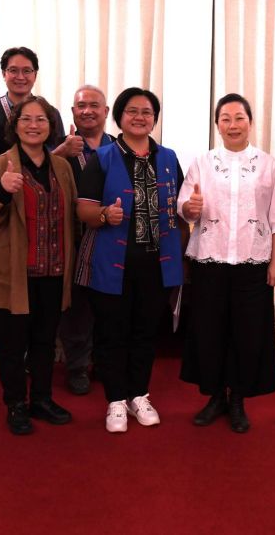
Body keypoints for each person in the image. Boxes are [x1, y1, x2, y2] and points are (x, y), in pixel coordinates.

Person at [178, 93, 275, 433]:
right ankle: (215, 397)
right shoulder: (202, 162)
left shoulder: (267, 164)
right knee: (210, 331)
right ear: (217, 125)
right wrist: (190, 208)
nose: (233, 124)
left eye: (239, 117)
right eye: (225, 118)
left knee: (247, 333)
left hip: (253, 262)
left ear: (250, 122)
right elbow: (184, 205)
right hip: (209, 260)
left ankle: (238, 398)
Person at [75, 87, 185, 433]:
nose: (140, 117)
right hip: (112, 263)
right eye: (132, 111)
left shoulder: (168, 158)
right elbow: (84, 210)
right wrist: (105, 215)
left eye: (147, 112)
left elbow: (181, 207)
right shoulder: (103, 158)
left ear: (155, 119)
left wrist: (192, 210)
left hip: (157, 264)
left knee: (146, 332)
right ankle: (115, 400)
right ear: (119, 117)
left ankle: (139, 394)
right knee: (112, 333)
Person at [0, 97, 77, 436]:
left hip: (54, 271)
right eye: (26, 119)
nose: (34, 125)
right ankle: (16, 404)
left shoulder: (62, 167)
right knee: (11, 345)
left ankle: (42, 399)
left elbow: (71, 217)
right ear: (15, 125)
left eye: (41, 119)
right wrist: (2, 190)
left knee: (45, 342)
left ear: (51, 126)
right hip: (12, 273)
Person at [59, 84, 115, 395]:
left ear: (106, 112)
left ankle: (104, 363)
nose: (88, 111)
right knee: (77, 308)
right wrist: (60, 152)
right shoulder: (62, 148)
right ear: (73, 112)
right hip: (73, 239)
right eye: (81, 106)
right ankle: (77, 366)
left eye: (94, 105)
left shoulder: (118, 148)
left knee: (108, 306)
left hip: (111, 238)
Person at [0, 47, 67, 165]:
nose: (20, 77)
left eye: (27, 71)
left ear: (35, 75)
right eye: (13, 70)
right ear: (4, 74)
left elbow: (56, 160)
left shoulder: (51, 113)